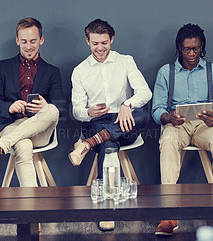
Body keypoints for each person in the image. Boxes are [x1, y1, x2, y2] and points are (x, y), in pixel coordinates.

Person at [152, 24, 213, 237]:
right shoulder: (166, 72)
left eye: (196, 49)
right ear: (179, 48)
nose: (191, 54)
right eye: (186, 49)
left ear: (202, 47)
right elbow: (157, 109)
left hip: (205, 125)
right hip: (178, 124)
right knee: (167, 142)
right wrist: (169, 117)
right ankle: (169, 212)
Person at [69, 19, 152, 231]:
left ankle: (87, 145)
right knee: (108, 146)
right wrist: (88, 112)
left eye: (104, 42)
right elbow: (77, 111)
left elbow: (145, 92)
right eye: (95, 43)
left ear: (112, 39)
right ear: (87, 41)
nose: (100, 48)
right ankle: (107, 210)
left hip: (125, 120)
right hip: (95, 122)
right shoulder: (80, 71)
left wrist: (127, 104)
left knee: (142, 114)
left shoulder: (126, 61)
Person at [0, 17, 64, 187]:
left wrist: (45, 106)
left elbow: (60, 107)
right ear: (17, 41)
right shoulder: (2, 67)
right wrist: (9, 107)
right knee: (23, 145)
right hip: (11, 126)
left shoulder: (52, 71)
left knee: (53, 110)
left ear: (41, 40)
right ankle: (30, 206)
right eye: (24, 41)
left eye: (33, 41)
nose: (29, 46)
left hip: (40, 129)